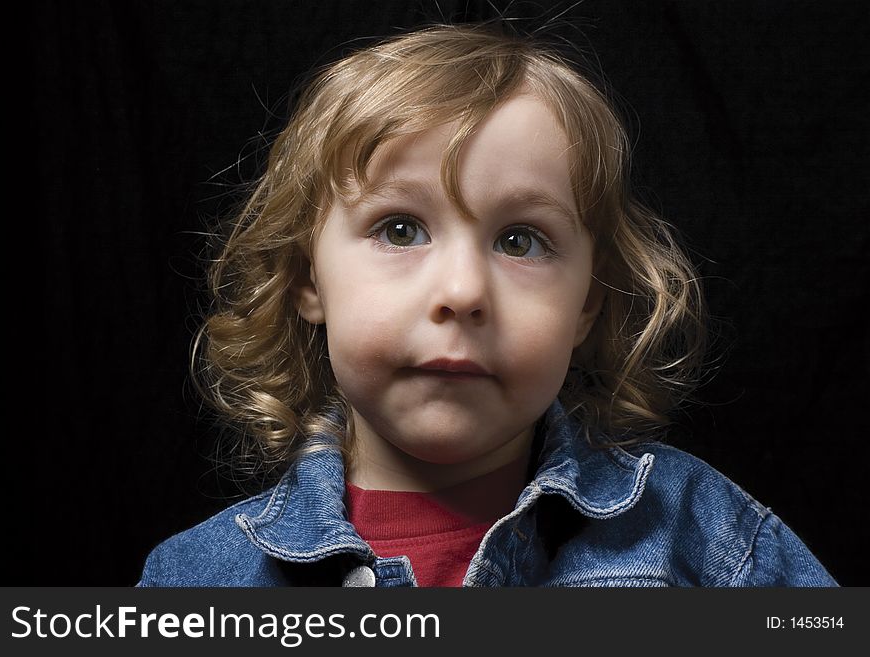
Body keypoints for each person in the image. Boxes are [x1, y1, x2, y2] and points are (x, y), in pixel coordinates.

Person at [138, 24, 836, 587]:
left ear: (588, 302)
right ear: (308, 279)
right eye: (400, 229)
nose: (464, 292)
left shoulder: (697, 536)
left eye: (521, 241)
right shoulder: (197, 581)